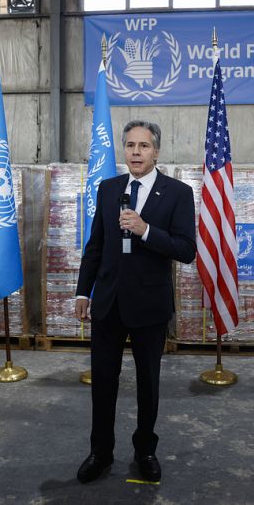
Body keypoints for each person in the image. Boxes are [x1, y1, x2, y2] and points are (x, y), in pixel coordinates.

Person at [74, 120, 196, 483]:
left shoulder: (177, 192)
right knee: (103, 383)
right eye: (130, 146)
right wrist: (84, 290)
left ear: (156, 151)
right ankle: (100, 453)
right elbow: (95, 245)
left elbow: (186, 250)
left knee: (148, 383)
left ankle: (145, 450)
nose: (136, 152)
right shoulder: (109, 188)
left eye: (144, 146)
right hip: (108, 304)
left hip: (149, 307)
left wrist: (145, 231)